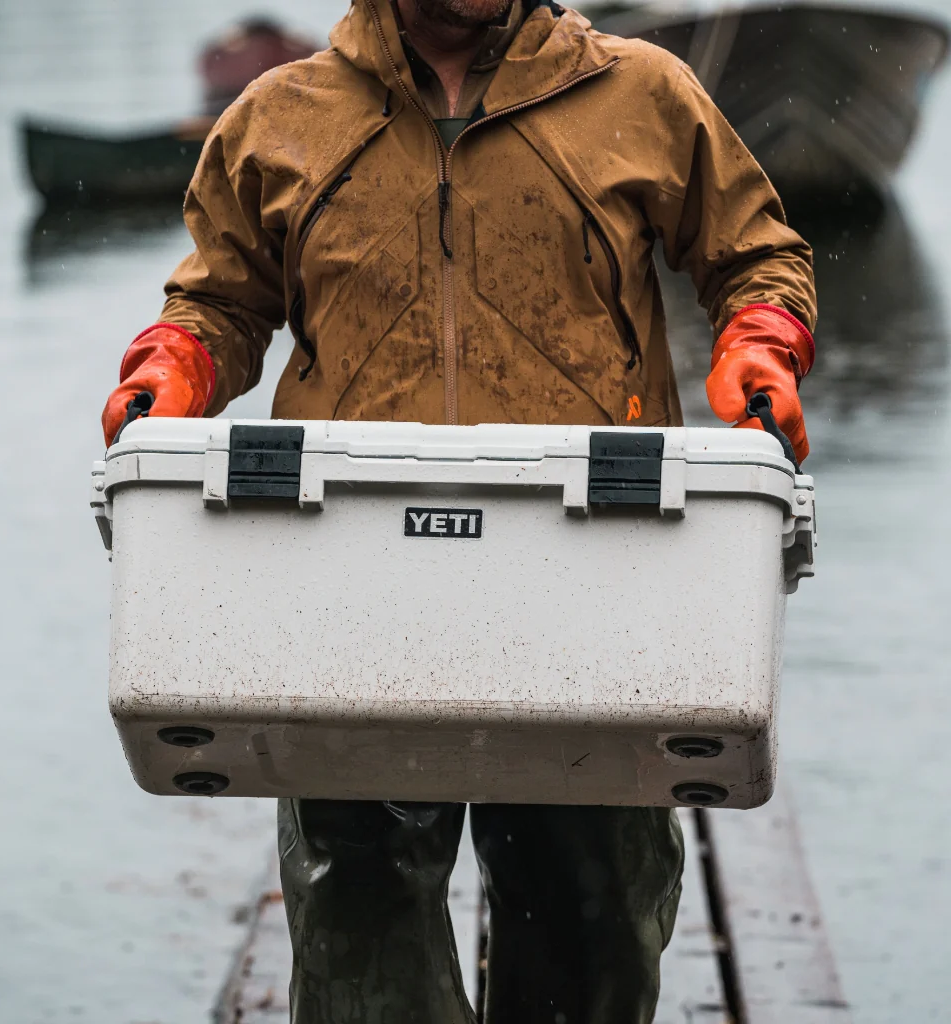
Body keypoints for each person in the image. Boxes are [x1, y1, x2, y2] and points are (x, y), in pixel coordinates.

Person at [101, 0, 816, 1018]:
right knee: (359, 926)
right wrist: (176, 362)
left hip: (596, 584)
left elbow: (757, 259)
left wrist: (761, 344)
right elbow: (218, 299)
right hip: (345, 592)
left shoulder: (643, 94)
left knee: (591, 921)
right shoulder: (279, 115)